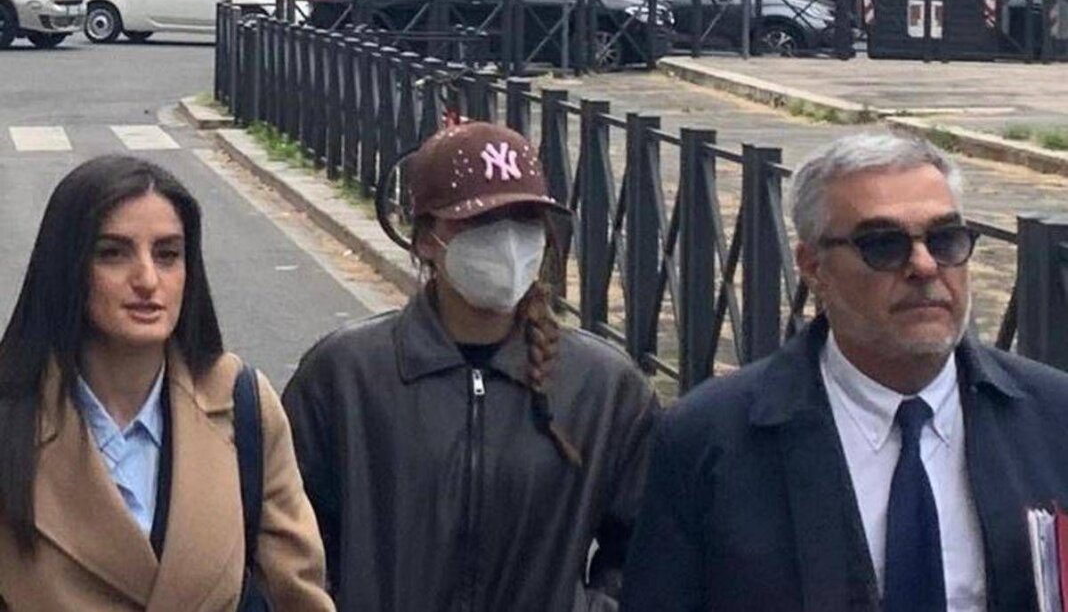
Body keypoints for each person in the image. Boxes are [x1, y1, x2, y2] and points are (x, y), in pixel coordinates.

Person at [620, 133, 1068, 612]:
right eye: (883, 245)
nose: (923, 266)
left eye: (945, 240)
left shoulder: (1054, 419)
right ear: (813, 266)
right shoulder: (708, 439)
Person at [282, 122, 659, 612]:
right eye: (478, 222)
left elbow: (647, 553)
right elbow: (288, 539)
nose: (507, 242)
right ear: (425, 239)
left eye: (524, 220)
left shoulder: (604, 388)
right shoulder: (345, 376)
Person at [0, 155, 334, 611]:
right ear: (68, 267)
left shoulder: (243, 405)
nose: (147, 279)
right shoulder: (14, 411)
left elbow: (298, 594)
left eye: (167, 254)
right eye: (113, 253)